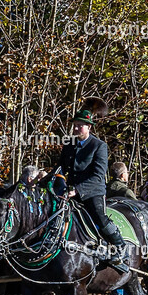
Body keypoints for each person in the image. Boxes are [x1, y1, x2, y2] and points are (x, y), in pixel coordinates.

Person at [58, 97, 129, 274]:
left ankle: (120, 248)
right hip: (70, 190)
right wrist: (48, 179)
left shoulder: (99, 146)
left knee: (99, 215)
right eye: (74, 125)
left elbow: (98, 176)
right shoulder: (69, 144)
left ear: (89, 127)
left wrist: (77, 190)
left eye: (80, 126)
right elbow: (60, 167)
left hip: (92, 191)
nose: (76, 128)